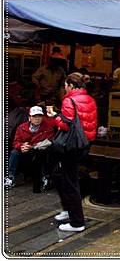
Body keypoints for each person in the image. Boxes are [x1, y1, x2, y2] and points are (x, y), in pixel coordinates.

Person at [47, 72, 97, 233]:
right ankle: (68, 210)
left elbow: (66, 125)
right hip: (83, 144)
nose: (64, 88)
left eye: (65, 85)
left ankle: (77, 222)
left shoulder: (69, 100)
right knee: (61, 175)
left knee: (69, 180)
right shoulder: (90, 99)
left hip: (71, 146)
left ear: (71, 85)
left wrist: (55, 116)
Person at [5, 106, 55, 191]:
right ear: (29, 118)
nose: (37, 119)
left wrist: (33, 146)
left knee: (44, 154)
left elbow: (50, 141)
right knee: (14, 153)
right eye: (34, 116)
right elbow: (16, 142)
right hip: (26, 150)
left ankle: (45, 177)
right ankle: (10, 177)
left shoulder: (48, 127)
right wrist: (21, 146)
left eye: (39, 116)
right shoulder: (21, 127)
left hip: (39, 150)